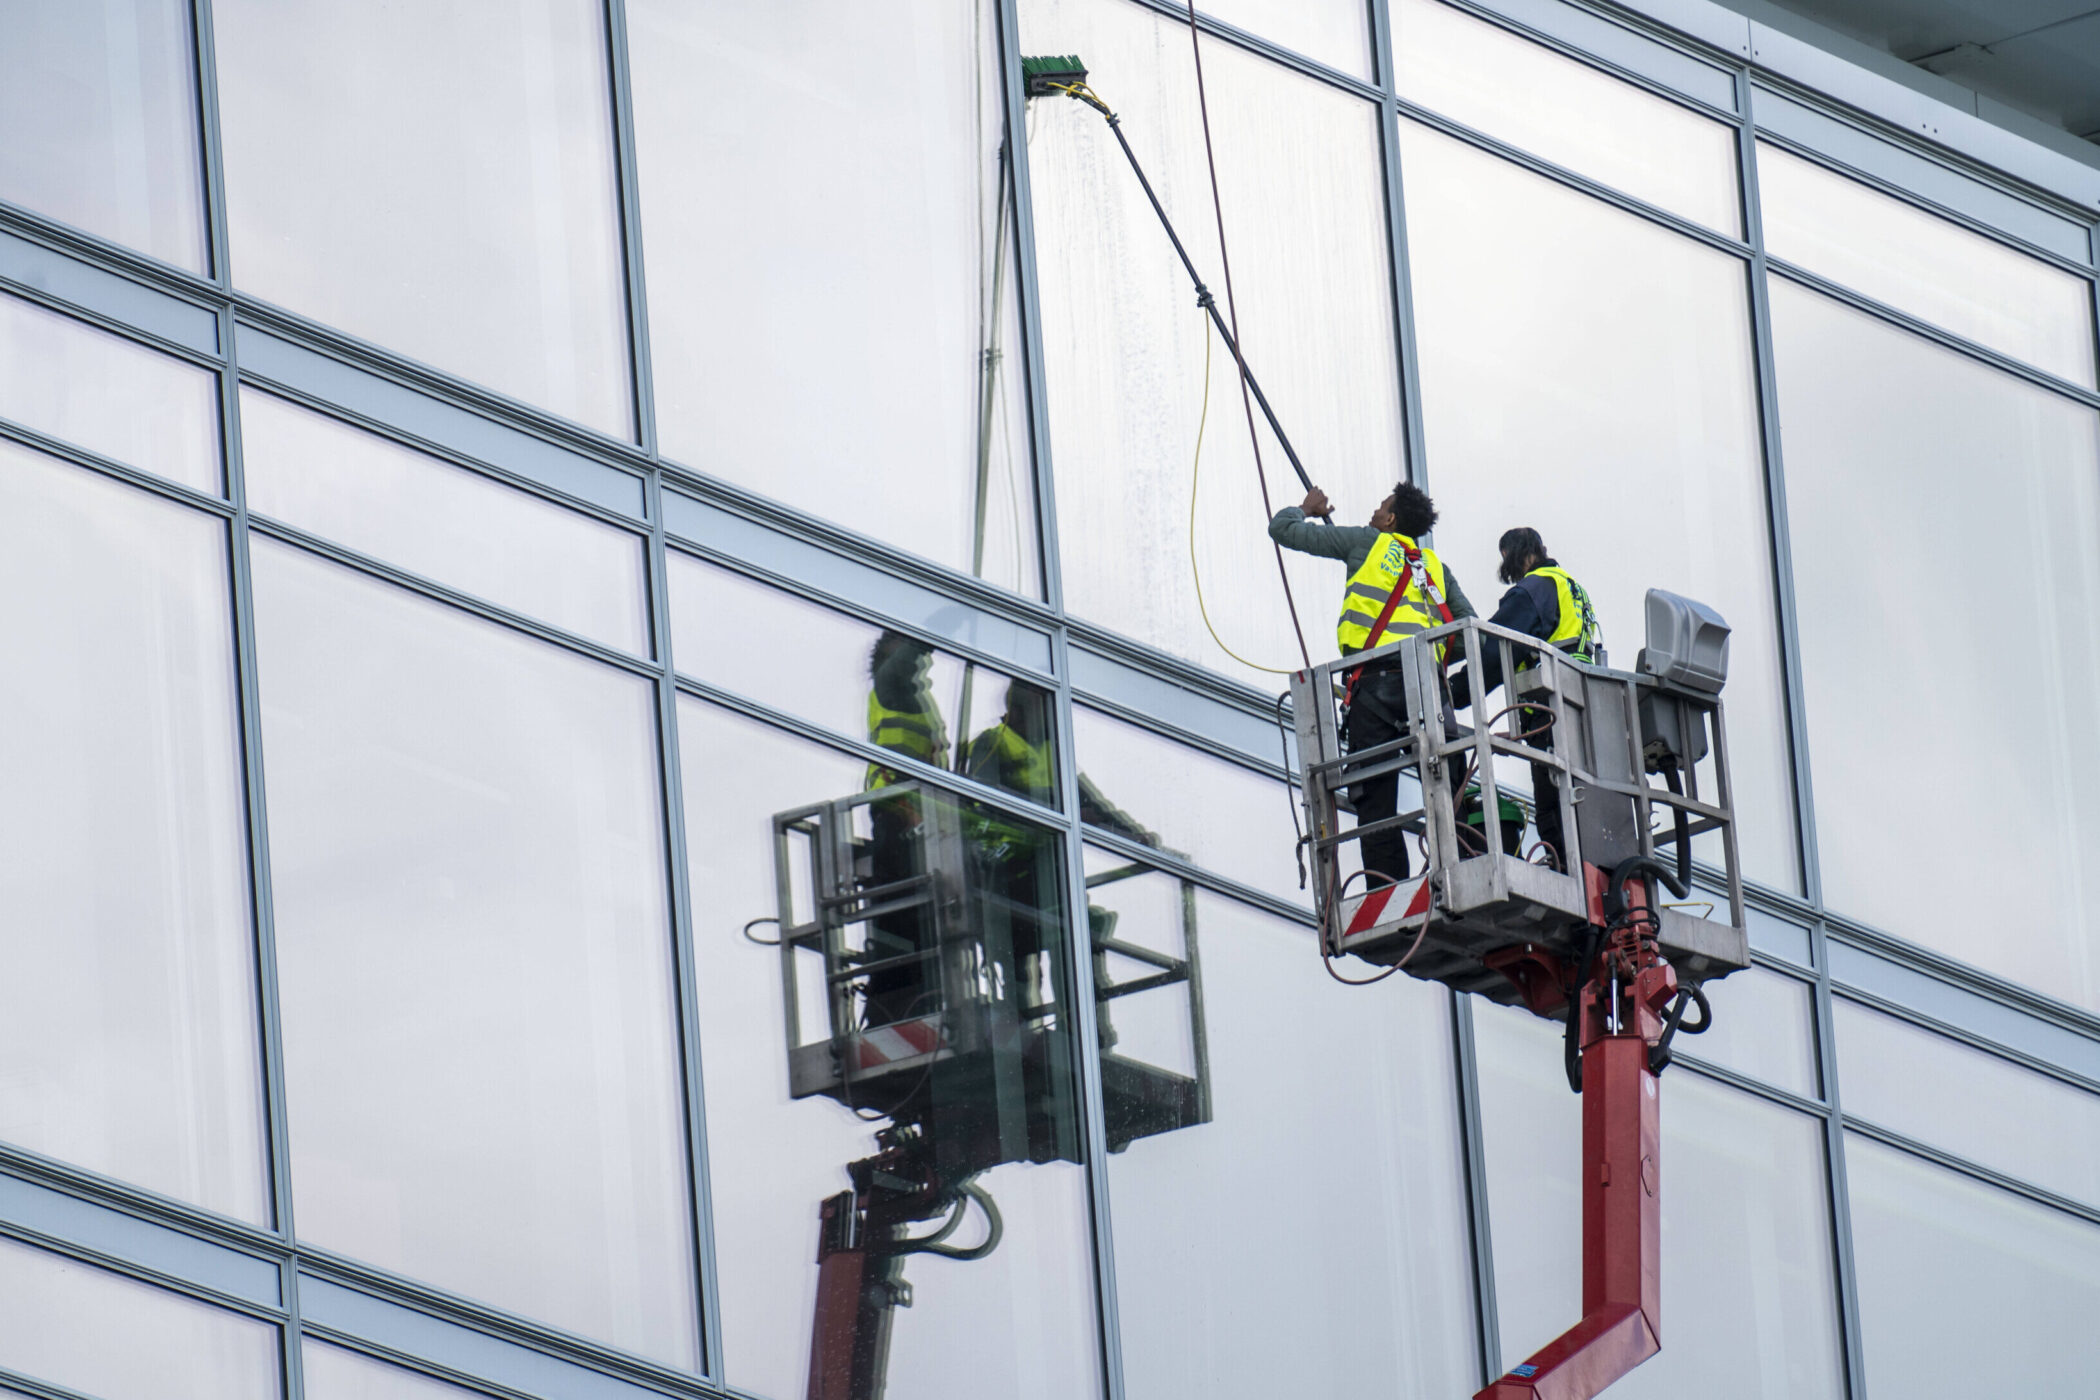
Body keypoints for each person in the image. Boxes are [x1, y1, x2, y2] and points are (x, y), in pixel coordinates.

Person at [1270, 482, 1476, 886]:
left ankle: (1387, 892)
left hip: (1377, 686)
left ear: (1391, 520)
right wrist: (1434, 659)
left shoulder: (1366, 543)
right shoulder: (1432, 567)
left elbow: (1284, 530)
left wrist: (1305, 508)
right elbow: (1471, 630)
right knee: (1449, 789)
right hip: (1429, 689)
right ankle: (1463, 873)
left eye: (1380, 507)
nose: (1373, 512)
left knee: (1376, 798)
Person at [1447, 528, 1601, 870]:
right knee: (1579, 803)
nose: (1510, 572)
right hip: (1583, 708)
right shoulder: (1570, 588)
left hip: (1550, 710)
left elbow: (1496, 649)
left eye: (1508, 560)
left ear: (1521, 554)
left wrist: (1453, 692)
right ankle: (1588, 875)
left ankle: (1565, 870)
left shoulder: (1534, 589)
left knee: (1552, 806)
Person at [862, 631, 949, 1025]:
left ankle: (915, 999)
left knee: (916, 918)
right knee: (899, 916)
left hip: (915, 818)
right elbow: (901, 664)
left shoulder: (916, 700)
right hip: (896, 815)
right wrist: (930, 633)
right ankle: (891, 1005)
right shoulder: (890, 684)